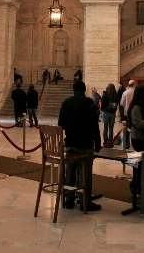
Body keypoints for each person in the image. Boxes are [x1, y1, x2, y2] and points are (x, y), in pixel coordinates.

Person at [58, 80, 102, 211]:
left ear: (73, 90)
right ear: (84, 90)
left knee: (70, 171)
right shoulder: (89, 103)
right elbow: (94, 126)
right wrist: (98, 143)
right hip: (85, 145)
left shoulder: (66, 103)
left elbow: (61, 124)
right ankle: (85, 201)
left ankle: (69, 200)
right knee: (85, 172)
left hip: (70, 145)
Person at [119, 80, 136, 149]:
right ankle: (134, 143)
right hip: (135, 113)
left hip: (127, 113)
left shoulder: (125, 93)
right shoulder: (136, 93)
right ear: (134, 84)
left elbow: (122, 103)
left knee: (127, 129)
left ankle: (127, 144)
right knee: (135, 128)